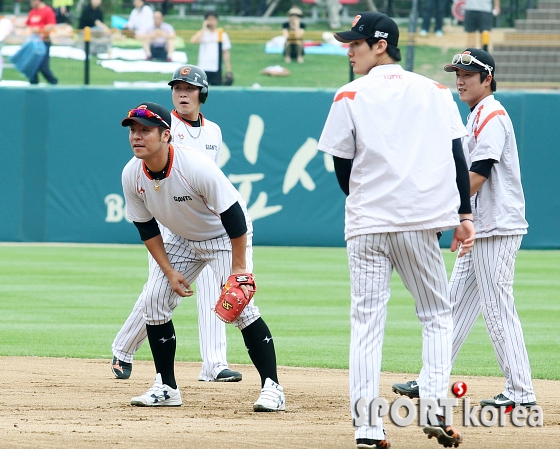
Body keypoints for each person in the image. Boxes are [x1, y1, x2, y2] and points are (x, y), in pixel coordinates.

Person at [317, 12, 475, 449]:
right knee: (437, 315)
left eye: (356, 43)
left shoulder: (348, 95)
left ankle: (367, 428)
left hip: (367, 223)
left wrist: (369, 203)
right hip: (420, 222)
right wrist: (464, 216)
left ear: (381, 45)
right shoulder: (437, 91)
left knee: (367, 323)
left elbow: (342, 168)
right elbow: (456, 157)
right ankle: (435, 409)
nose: (349, 50)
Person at [392, 49, 537, 411]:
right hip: (480, 226)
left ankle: (521, 391)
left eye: (468, 74)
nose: (460, 80)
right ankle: (431, 380)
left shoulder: (492, 113)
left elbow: (480, 172)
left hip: (497, 226)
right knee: (452, 304)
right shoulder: (474, 115)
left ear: (487, 79)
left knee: (496, 306)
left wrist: (445, 212)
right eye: (457, 73)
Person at [119, 101, 285, 412]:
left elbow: (234, 217)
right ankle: (167, 387)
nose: (137, 136)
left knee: (241, 308)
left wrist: (239, 272)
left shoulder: (194, 166)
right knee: (155, 299)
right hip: (182, 238)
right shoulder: (132, 174)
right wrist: (168, 271)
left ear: (166, 135)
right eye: (133, 130)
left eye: (146, 130)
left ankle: (272, 388)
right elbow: (146, 228)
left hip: (223, 235)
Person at [112, 65, 242, 384]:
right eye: (177, 87)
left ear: (203, 94)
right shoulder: (165, 127)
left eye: (190, 87)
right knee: (158, 293)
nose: (182, 93)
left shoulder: (214, 131)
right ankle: (124, 349)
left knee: (216, 285)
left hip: (204, 220)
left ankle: (214, 363)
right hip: (170, 221)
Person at [190, 11, 232, 86]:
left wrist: (228, 70)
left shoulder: (222, 34)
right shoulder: (203, 33)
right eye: (209, 19)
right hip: (203, 67)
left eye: (213, 19)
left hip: (216, 67)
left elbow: (225, 52)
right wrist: (203, 28)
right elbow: (193, 40)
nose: (211, 22)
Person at [25, 0, 58, 85]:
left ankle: (54, 83)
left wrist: (39, 29)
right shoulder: (32, 12)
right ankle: (33, 87)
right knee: (32, 66)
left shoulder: (48, 10)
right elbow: (27, 24)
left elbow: (52, 25)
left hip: (44, 41)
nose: (31, 2)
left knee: (43, 66)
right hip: (33, 42)